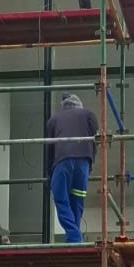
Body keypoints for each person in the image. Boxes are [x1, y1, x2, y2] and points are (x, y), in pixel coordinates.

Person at [45, 94, 99, 244]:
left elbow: (49, 149)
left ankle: (74, 236)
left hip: (62, 161)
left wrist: (49, 174)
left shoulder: (54, 119)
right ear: (79, 104)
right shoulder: (88, 114)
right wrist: (90, 163)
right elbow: (95, 141)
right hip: (83, 162)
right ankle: (74, 238)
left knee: (61, 199)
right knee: (77, 199)